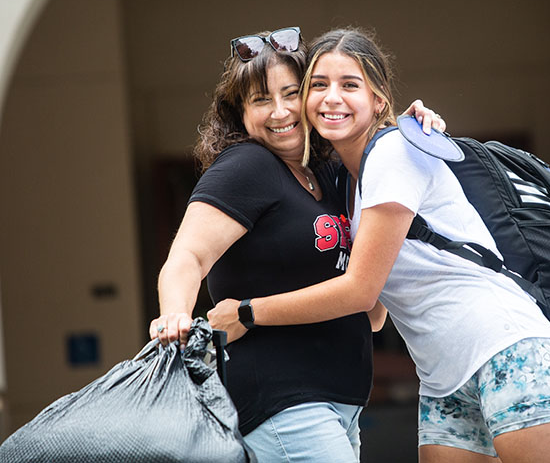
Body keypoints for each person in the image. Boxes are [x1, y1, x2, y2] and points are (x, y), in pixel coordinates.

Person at [208, 28, 550, 463]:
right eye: (319, 85)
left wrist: (247, 312)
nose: (332, 97)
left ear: (379, 100)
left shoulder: (393, 153)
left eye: (350, 85)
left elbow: (361, 292)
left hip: (504, 345)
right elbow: (375, 316)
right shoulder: (348, 186)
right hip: (442, 376)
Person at [149, 26, 444, 463]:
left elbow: (372, 311)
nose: (280, 111)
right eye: (261, 100)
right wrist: (173, 315)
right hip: (282, 402)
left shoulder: (326, 173)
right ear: (239, 112)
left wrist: (411, 126)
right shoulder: (247, 166)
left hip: (340, 401)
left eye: (291, 93)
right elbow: (187, 257)